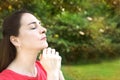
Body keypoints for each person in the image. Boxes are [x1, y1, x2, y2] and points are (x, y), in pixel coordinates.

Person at [0, 10, 65, 80]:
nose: (44, 29)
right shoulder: (5, 78)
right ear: (15, 40)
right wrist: (53, 74)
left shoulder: (47, 67)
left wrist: (56, 71)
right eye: (33, 27)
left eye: (40, 25)